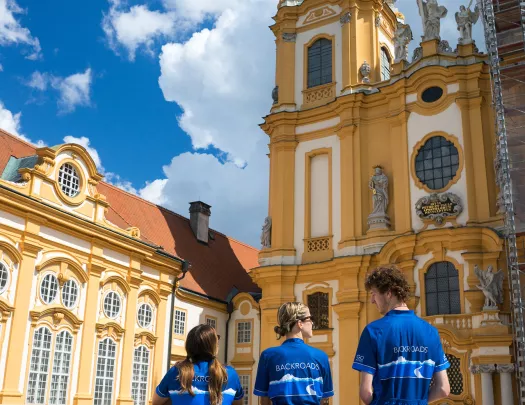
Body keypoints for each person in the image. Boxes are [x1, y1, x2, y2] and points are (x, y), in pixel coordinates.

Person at [352, 265, 451, 405]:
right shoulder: (431, 332)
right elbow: (443, 389)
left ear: (388, 293)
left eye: (374, 294)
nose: (372, 301)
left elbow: (366, 392)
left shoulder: (373, 331)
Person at [254, 302, 333, 405]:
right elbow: (324, 399)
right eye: (310, 318)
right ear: (300, 323)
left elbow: (264, 400)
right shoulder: (321, 356)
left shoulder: (268, 356)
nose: (312, 323)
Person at [153, 324, 244, 405]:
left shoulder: (176, 372)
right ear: (213, 347)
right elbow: (237, 403)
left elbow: (156, 402)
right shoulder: (229, 374)